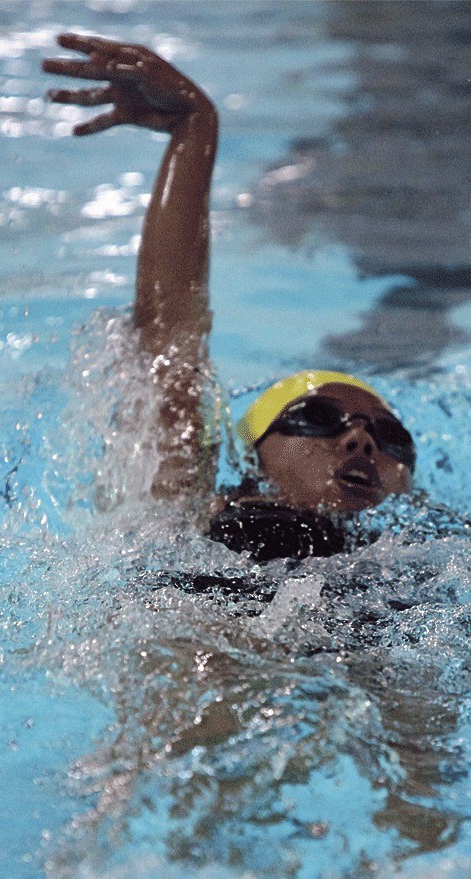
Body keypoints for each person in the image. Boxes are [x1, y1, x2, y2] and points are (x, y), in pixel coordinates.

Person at [43, 33, 416, 561]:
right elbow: (168, 335)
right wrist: (195, 129)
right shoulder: (191, 516)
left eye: (389, 435)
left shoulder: (429, 556)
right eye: (316, 418)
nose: (361, 443)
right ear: (252, 461)